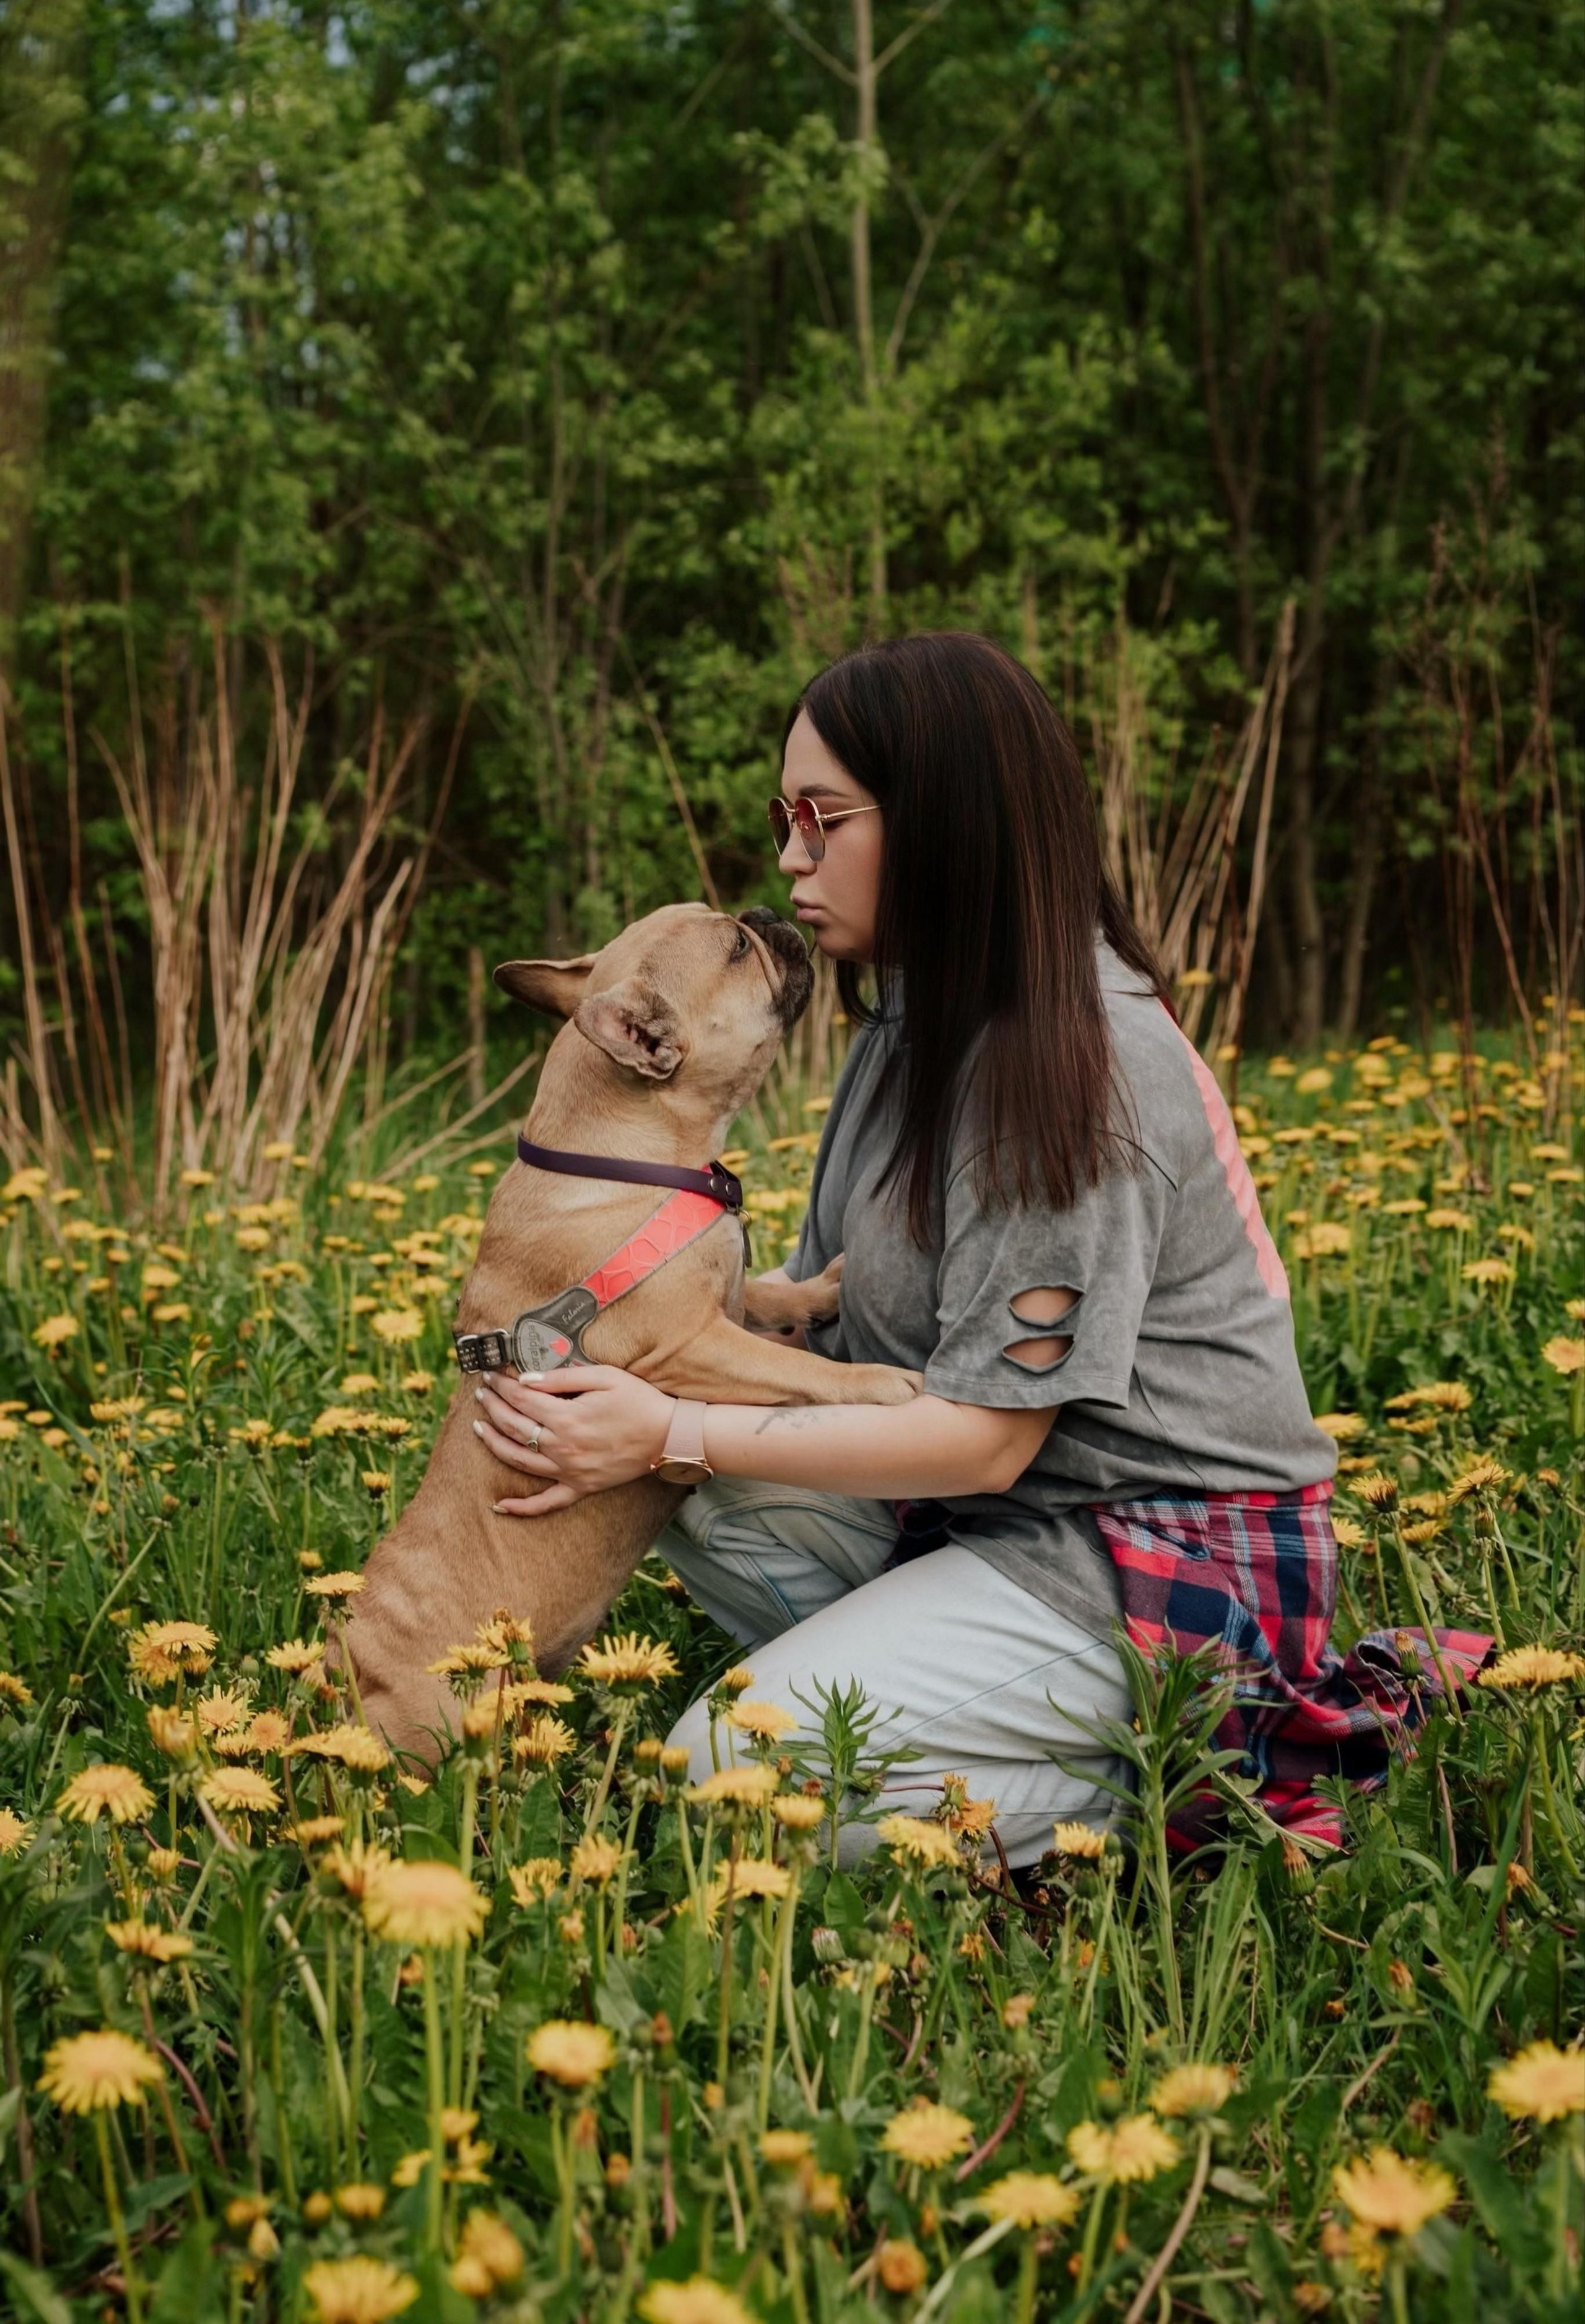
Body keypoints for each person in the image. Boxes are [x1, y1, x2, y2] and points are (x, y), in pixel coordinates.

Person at [471, 631, 1483, 1862]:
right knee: (607, 1417)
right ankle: (946, 1703)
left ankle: (1229, 1779)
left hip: (1159, 1557)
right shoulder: (908, 1018)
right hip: (982, 1521)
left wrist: (671, 1430)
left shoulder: (1063, 1057)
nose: (789, 854)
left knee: (723, 1770)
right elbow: (824, 1345)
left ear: (946, 819)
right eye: (783, 814)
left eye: (821, 817)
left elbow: (989, 1438)